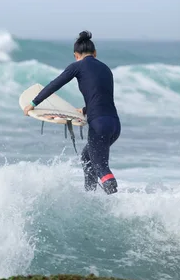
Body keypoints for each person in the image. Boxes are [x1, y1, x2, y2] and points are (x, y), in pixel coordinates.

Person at [23, 30, 120, 195]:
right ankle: (91, 195)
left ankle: (114, 192)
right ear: (94, 53)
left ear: (76, 55)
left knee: (101, 167)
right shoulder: (105, 69)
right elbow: (101, 96)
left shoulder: (78, 66)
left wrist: (33, 103)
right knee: (87, 157)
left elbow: (55, 84)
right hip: (114, 124)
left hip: (98, 124)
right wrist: (84, 110)